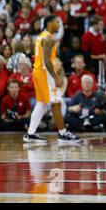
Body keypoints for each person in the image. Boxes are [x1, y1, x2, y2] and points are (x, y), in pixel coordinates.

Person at [23, 15, 82, 143]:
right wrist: (56, 77)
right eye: (56, 22)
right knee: (56, 103)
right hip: (45, 73)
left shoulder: (40, 36)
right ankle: (63, 133)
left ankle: (30, 134)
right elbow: (47, 61)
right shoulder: (49, 39)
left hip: (38, 71)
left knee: (42, 104)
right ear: (49, 23)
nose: (59, 24)